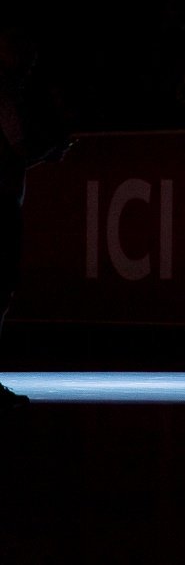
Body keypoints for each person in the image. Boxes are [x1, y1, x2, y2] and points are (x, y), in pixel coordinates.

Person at [0, 23, 75, 410]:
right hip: (0, 206)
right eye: (25, 56)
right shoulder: (4, 99)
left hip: (6, 203)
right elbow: (19, 151)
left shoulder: (12, 95)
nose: (31, 64)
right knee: (0, 294)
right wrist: (50, 152)